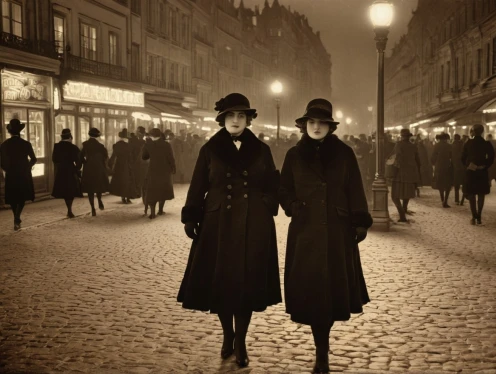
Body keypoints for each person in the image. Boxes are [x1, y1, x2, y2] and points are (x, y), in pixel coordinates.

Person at [177, 93, 281, 368]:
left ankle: (241, 342)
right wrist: (191, 216)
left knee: (247, 284)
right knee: (222, 283)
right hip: (218, 224)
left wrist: (266, 204)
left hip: (253, 224)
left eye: (242, 116)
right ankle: (227, 336)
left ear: (248, 120)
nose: (236, 120)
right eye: (231, 116)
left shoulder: (261, 149)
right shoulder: (209, 149)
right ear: (222, 119)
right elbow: (198, 184)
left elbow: (273, 183)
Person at [279, 99, 372, 373]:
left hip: (336, 230)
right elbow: (283, 188)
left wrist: (359, 220)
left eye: (321, 122)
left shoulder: (344, 153)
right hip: (305, 231)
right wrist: (292, 205)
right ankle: (321, 346)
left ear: (330, 127)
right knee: (311, 291)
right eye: (311, 122)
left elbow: (355, 186)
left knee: (330, 290)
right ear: (304, 125)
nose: (316, 127)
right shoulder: (294, 155)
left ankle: (322, 351)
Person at [0, 119, 37, 230]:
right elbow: (34, 159)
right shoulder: (26, 144)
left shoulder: (4, 145)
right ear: (20, 131)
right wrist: (27, 167)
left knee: (12, 197)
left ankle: (15, 217)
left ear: (10, 132)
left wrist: (7, 169)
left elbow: (1, 162)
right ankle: (17, 217)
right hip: (23, 174)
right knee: (22, 196)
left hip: (11, 174)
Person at [462, 124, 495, 225]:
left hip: (471, 171)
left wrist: (469, 165)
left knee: (471, 194)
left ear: (473, 131)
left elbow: (463, 157)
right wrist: (484, 165)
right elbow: (491, 157)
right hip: (482, 171)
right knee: (481, 194)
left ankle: (473, 216)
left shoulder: (468, 143)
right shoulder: (486, 143)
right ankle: (479, 216)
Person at [141, 128, 176, 219]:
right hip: (165, 170)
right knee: (162, 189)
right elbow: (171, 158)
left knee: (152, 190)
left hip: (153, 170)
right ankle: (160, 210)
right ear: (160, 135)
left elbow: (144, 157)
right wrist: (173, 168)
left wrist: (146, 146)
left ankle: (152, 213)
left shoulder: (148, 144)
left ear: (151, 135)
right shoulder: (166, 144)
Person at [390, 128, 421, 222]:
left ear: (402, 136)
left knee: (394, 196)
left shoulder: (398, 145)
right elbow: (418, 160)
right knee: (406, 195)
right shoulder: (413, 146)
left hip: (400, 173)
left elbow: (396, 158)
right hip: (410, 173)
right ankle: (404, 211)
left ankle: (402, 215)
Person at [51, 129, 83, 218]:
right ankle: (69, 210)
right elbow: (79, 161)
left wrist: (59, 166)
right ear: (70, 137)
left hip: (61, 171)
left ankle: (69, 209)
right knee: (70, 190)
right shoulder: (73, 147)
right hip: (70, 170)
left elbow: (54, 159)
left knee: (64, 190)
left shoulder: (56, 146)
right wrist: (77, 169)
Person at [80, 127, 109, 216]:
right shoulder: (100, 146)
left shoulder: (85, 144)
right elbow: (105, 157)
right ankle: (99, 199)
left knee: (90, 189)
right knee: (98, 186)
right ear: (97, 136)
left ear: (89, 135)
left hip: (88, 169)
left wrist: (85, 162)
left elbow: (81, 156)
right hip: (98, 168)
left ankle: (92, 208)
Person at [109, 128, 135, 204]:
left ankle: (123, 197)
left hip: (119, 165)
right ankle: (127, 197)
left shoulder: (116, 145)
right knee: (128, 180)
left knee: (121, 181)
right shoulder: (129, 145)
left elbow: (113, 156)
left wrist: (110, 164)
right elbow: (131, 157)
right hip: (127, 164)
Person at [431, 132, 454, 208]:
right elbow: (452, 156)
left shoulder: (436, 145)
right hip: (447, 166)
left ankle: (442, 200)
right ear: (445, 138)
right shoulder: (449, 146)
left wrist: (433, 163)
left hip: (438, 166)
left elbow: (433, 156)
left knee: (440, 183)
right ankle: (445, 201)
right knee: (447, 184)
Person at [451, 134, 466, 205]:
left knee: (456, 185)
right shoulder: (463, 145)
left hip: (455, 167)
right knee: (464, 183)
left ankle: (456, 199)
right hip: (463, 167)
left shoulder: (452, 145)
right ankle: (463, 199)